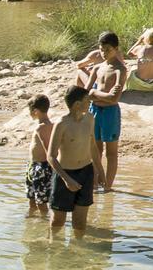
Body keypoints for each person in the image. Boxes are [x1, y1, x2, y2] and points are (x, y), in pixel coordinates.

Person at [72, 31, 126, 191]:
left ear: (116, 49)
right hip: (94, 110)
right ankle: (95, 183)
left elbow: (114, 99)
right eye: (102, 49)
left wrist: (95, 93)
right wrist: (100, 95)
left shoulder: (120, 69)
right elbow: (86, 93)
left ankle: (108, 186)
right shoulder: (97, 68)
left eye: (108, 50)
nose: (104, 53)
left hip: (110, 113)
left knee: (111, 152)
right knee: (95, 150)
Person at [47, 86, 96, 234]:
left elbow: (93, 145)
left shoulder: (90, 118)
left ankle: (78, 246)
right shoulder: (62, 123)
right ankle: (53, 244)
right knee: (58, 221)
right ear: (77, 104)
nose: (90, 103)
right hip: (65, 174)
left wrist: (99, 171)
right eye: (87, 100)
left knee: (80, 222)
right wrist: (67, 179)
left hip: (86, 172)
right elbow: (51, 156)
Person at [25, 95, 54, 216]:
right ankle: (31, 217)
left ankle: (44, 220)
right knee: (31, 198)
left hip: (41, 168)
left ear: (35, 111)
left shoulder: (41, 127)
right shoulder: (47, 125)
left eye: (30, 110)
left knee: (41, 201)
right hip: (33, 166)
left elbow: (48, 150)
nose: (29, 113)